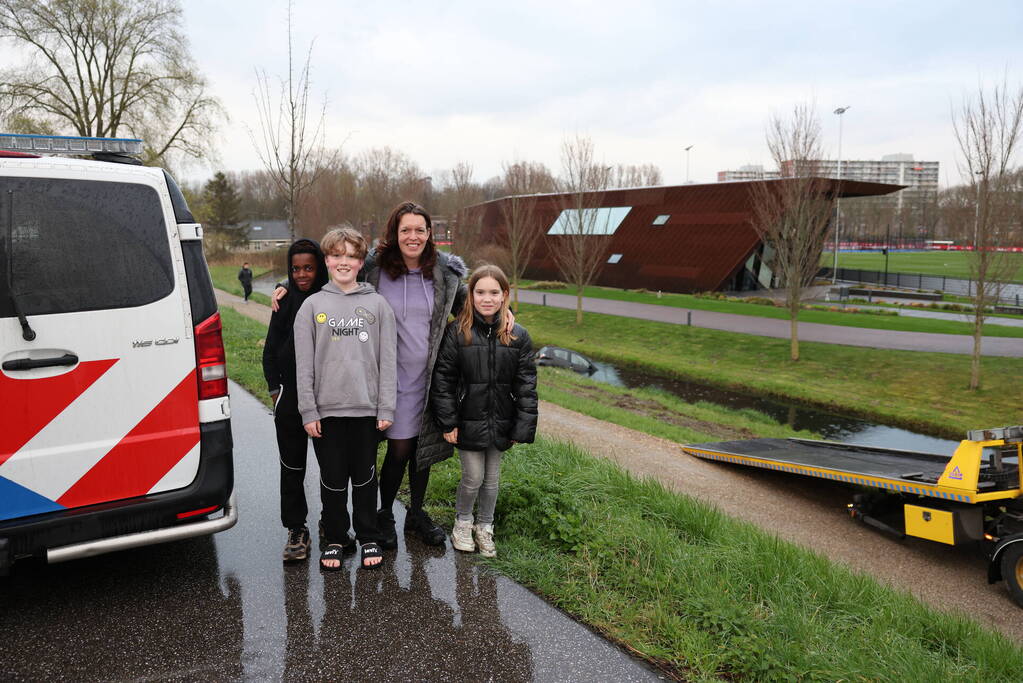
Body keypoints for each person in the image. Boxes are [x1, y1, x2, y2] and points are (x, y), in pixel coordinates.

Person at [272, 203, 513, 549]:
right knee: (399, 448)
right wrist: (286, 283)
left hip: (428, 376)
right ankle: (384, 514)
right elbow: (336, 269)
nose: (412, 236)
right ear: (394, 234)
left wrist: (507, 313)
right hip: (382, 375)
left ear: (429, 234)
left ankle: (415, 514)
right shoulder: (375, 266)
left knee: (422, 449)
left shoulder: (444, 274)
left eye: (419, 230)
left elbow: (475, 302)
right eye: (405, 230)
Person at [293, 227, 396, 571]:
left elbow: (388, 361)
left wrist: (386, 406)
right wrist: (308, 410)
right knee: (332, 480)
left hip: (367, 412)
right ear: (326, 260)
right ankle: (336, 537)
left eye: (352, 255)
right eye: (337, 255)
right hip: (327, 413)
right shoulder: (311, 307)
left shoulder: (378, 305)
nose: (344, 262)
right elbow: (304, 365)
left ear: (361, 261)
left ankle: (368, 536)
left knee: (365, 478)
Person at [431, 265, 537, 558]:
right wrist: (449, 420)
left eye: (494, 292)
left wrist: (520, 427)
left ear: (505, 295)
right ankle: (462, 523)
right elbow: (443, 380)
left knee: (492, 479)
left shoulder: (518, 336)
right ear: (470, 295)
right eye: (480, 292)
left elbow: (526, 385)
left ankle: (485, 527)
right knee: (473, 476)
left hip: (501, 420)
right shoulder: (458, 332)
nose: (486, 299)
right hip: (467, 421)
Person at [262, 239, 328, 563]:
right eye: (295, 269)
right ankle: (296, 530)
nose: (302, 275)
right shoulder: (283, 301)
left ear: (320, 269)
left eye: (309, 268)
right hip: (290, 397)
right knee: (292, 467)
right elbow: (270, 351)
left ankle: (331, 523)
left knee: (330, 465)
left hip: (325, 398)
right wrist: (277, 392)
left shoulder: (331, 298)